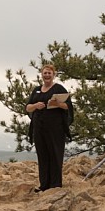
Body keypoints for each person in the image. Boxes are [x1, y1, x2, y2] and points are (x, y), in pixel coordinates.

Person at [25, 63, 73, 192]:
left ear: (54, 75)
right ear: (41, 74)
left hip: (55, 128)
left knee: (55, 154)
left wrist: (57, 103)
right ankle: (44, 184)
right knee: (43, 155)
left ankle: (55, 184)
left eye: (49, 73)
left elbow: (68, 106)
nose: (47, 75)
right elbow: (27, 107)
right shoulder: (36, 89)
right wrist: (35, 105)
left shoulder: (59, 88)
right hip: (39, 128)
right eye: (45, 73)